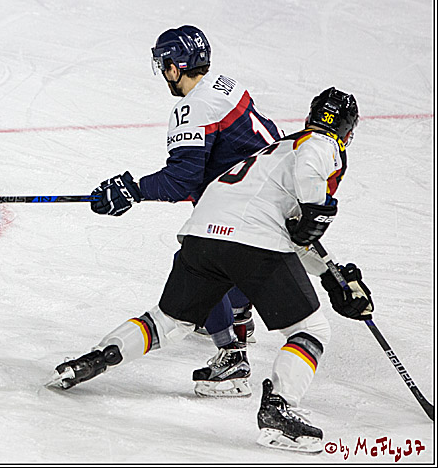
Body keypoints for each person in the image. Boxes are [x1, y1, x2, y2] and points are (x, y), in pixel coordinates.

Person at [49, 88, 370, 454]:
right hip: (252, 240)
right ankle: (279, 409)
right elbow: (301, 201)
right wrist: (317, 211)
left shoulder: (276, 151)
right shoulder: (321, 144)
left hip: (204, 234)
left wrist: (331, 276)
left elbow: (292, 230)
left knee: (167, 321)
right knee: (311, 329)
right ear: (347, 129)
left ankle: (94, 358)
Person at [89, 25, 281, 396]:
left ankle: (232, 356)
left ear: (176, 66)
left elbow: (182, 181)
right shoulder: (226, 85)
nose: (163, 74)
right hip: (273, 197)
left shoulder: (193, 107)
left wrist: (131, 190)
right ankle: (239, 311)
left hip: (251, 210)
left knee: (199, 261)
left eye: (164, 65)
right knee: (218, 247)